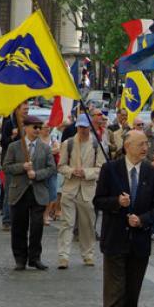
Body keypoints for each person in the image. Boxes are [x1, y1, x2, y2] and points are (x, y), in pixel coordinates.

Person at [94, 130, 154, 307]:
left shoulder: (152, 173)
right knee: (115, 294)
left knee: (132, 295)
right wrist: (117, 202)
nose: (146, 148)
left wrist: (142, 220)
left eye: (147, 144)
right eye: (141, 144)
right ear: (127, 146)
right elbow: (98, 200)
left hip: (139, 244)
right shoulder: (110, 169)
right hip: (115, 241)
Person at [2, 115, 57, 271]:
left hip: (38, 192)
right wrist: (22, 167)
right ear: (25, 128)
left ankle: (35, 258)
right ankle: (20, 258)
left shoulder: (45, 147)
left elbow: (52, 168)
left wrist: (37, 174)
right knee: (19, 227)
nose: (38, 130)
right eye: (35, 127)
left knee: (37, 227)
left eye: (40, 127)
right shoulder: (14, 146)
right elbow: (6, 167)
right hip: (19, 191)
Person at [56, 114, 105, 269]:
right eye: (80, 126)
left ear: (90, 126)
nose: (82, 129)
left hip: (88, 190)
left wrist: (86, 173)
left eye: (85, 126)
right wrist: (71, 171)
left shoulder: (97, 144)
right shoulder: (68, 143)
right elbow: (61, 166)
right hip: (70, 188)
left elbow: (101, 168)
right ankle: (63, 256)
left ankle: (88, 255)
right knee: (66, 223)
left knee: (87, 225)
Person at [0, 101, 29, 231]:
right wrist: (13, 136)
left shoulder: (29, 123)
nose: (26, 111)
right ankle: (7, 220)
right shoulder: (8, 124)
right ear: (17, 110)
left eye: (28, 109)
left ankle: (19, 219)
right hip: (12, 162)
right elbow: (3, 143)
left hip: (25, 162)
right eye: (24, 108)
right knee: (10, 191)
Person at [38, 123, 60, 226]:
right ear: (40, 129)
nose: (47, 129)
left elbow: (58, 149)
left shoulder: (53, 138)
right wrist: (50, 151)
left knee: (53, 193)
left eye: (48, 127)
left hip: (52, 170)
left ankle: (46, 215)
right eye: (45, 127)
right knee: (41, 193)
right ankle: (41, 215)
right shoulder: (37, 139)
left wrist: (46, 152)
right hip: (40, 170)